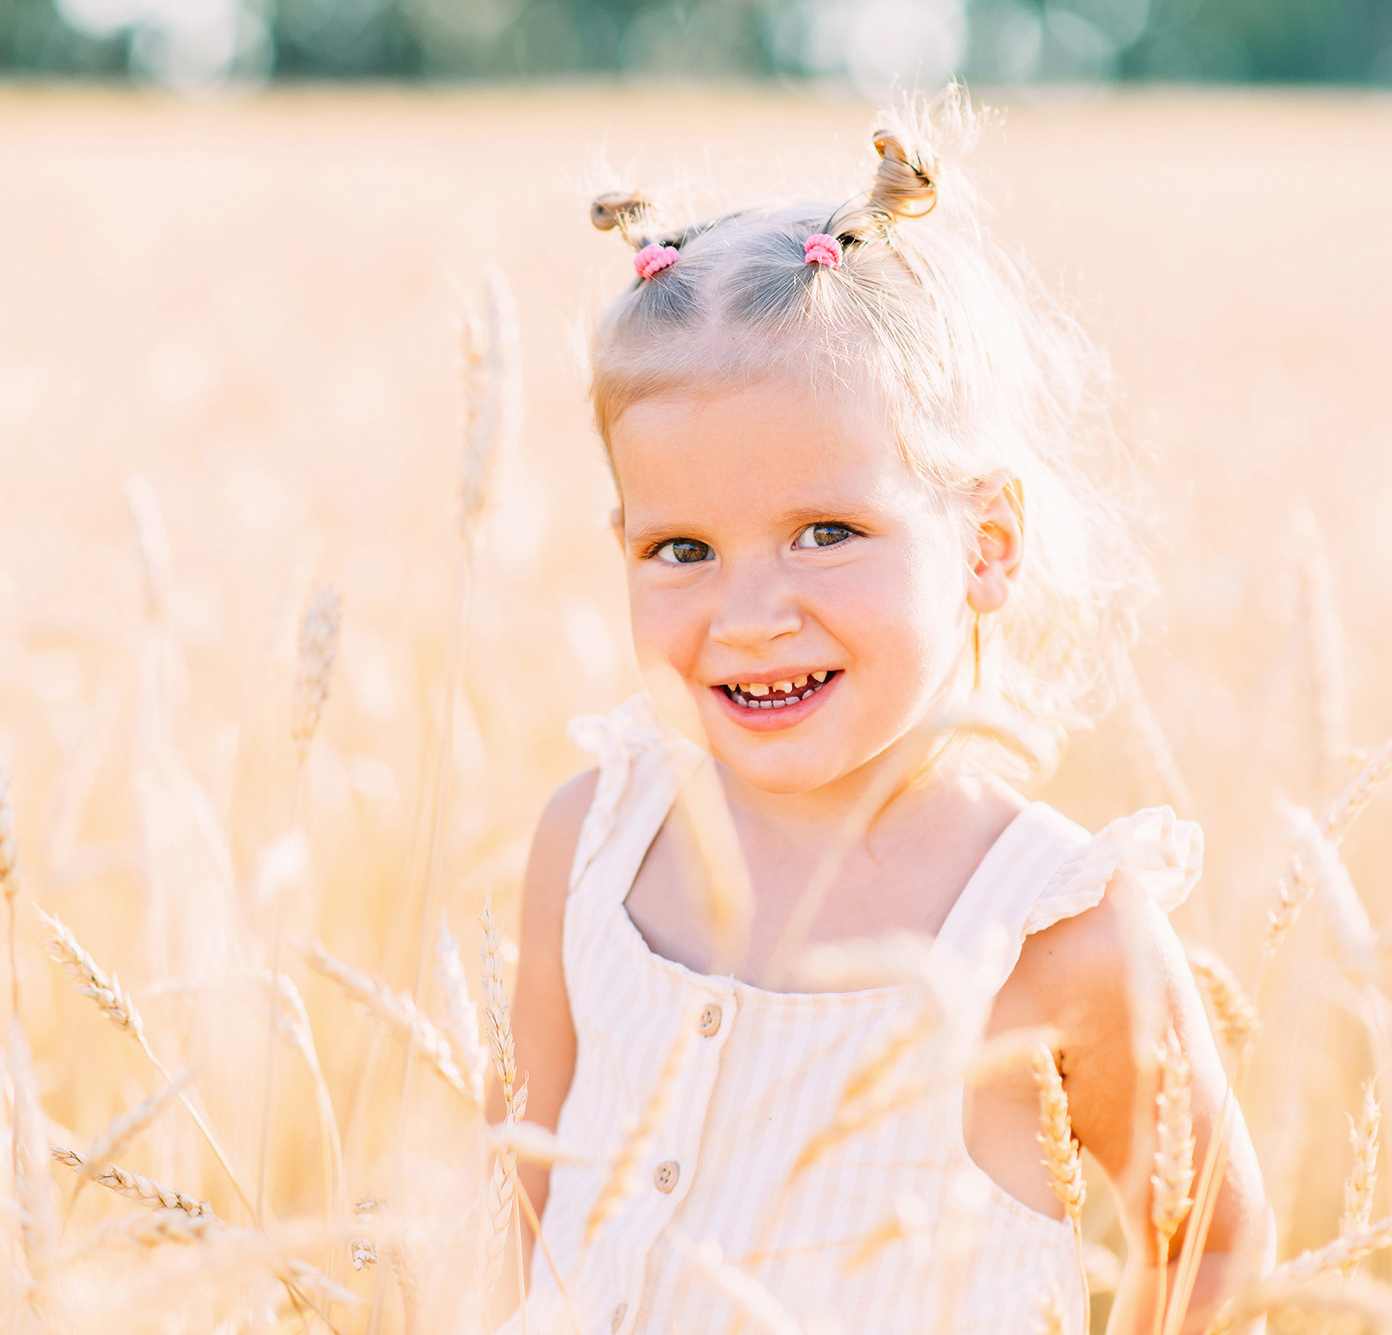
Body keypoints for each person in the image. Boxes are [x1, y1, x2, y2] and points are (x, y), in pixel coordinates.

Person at [494, 89, 1273, 1335]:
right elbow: (510, 1194)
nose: (748, 616)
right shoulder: (592, 844)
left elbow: (1211, 1248)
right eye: (680, 550)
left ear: (984, 542)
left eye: (824, 533)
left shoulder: (1051, 935)